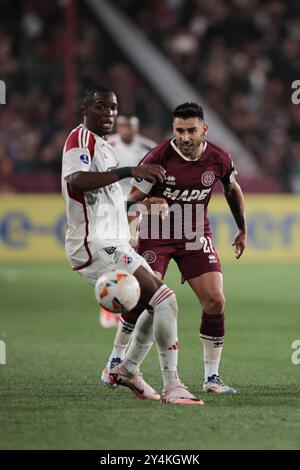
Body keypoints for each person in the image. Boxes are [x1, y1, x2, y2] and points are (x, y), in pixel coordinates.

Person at [61, 84, 204, 405]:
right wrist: (131, 170)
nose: (109, 113)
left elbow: (105, 200)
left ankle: (125, 368)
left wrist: (138, 206)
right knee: (165, 301)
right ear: (85, 109)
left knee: (153, 305)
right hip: (95, 244)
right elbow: (77, 181)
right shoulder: (80, 139)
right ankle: (172, 385)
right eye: (100, 107)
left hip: (114, 240)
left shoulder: (104, 146)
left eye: (113, 108)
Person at [102, 102, 247, 394]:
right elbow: (129, 201)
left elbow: (231, 189)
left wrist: (242, 227)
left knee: (216, 301)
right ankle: (116, 359)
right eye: (179, 130)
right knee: (146, 298)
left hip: (195, 233)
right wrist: (142, 209)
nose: (185, 137)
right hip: (157, 233)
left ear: (204, 129)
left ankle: (212, 379)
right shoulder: (157, 158)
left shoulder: (219, 158)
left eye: (191, 130)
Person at [99, 115, 156, 328]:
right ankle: (108, 304)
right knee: (111, 253)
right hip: (111, 206)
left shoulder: (148, 147)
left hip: (136, 208)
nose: (126, 130)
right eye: (122, 126)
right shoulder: (108, 146)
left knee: (132, 251)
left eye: (130, 126)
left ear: (136, 128)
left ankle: (128, 301)